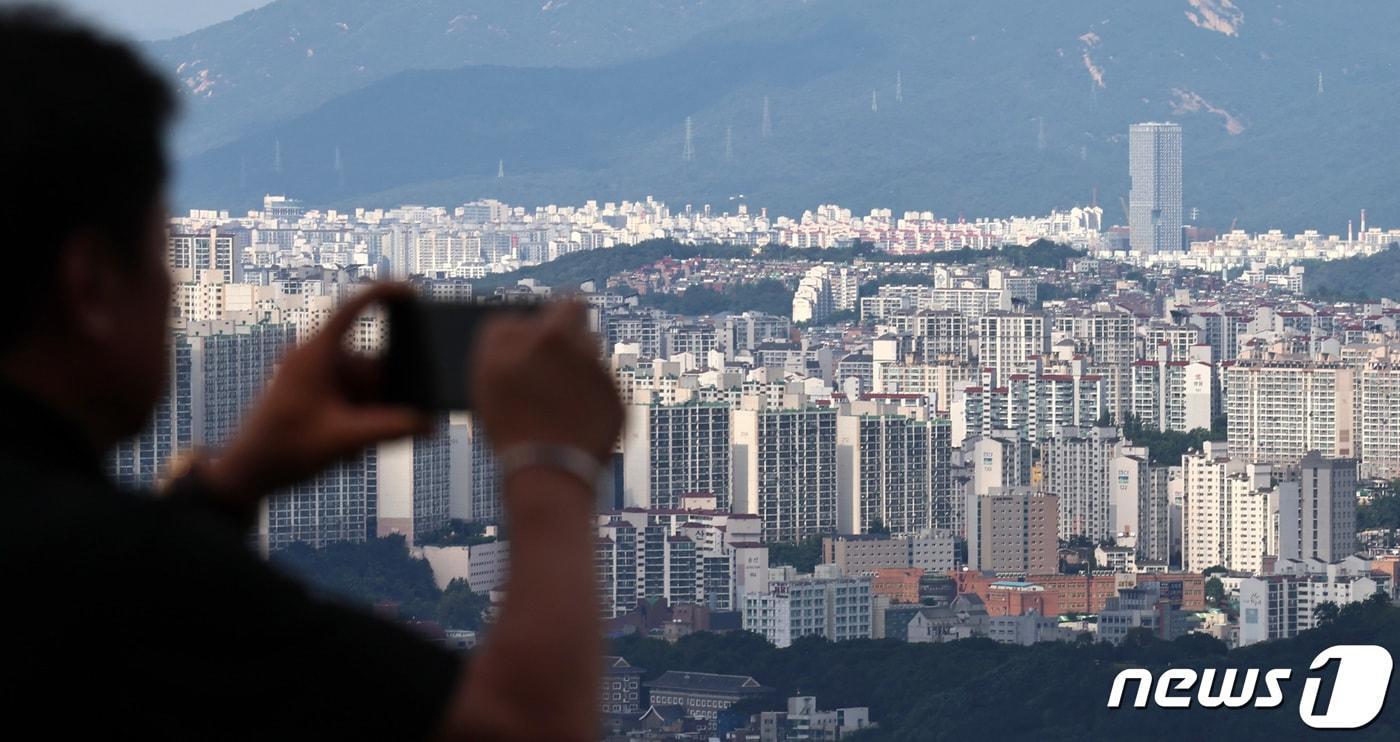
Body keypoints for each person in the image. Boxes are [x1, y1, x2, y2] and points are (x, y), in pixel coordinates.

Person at [0, 8, 622, 741]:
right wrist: (552, 462)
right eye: (161, 252)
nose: (173, 292)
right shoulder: (117, 575)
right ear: (91, 285)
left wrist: (233, 487)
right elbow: (526, 726)